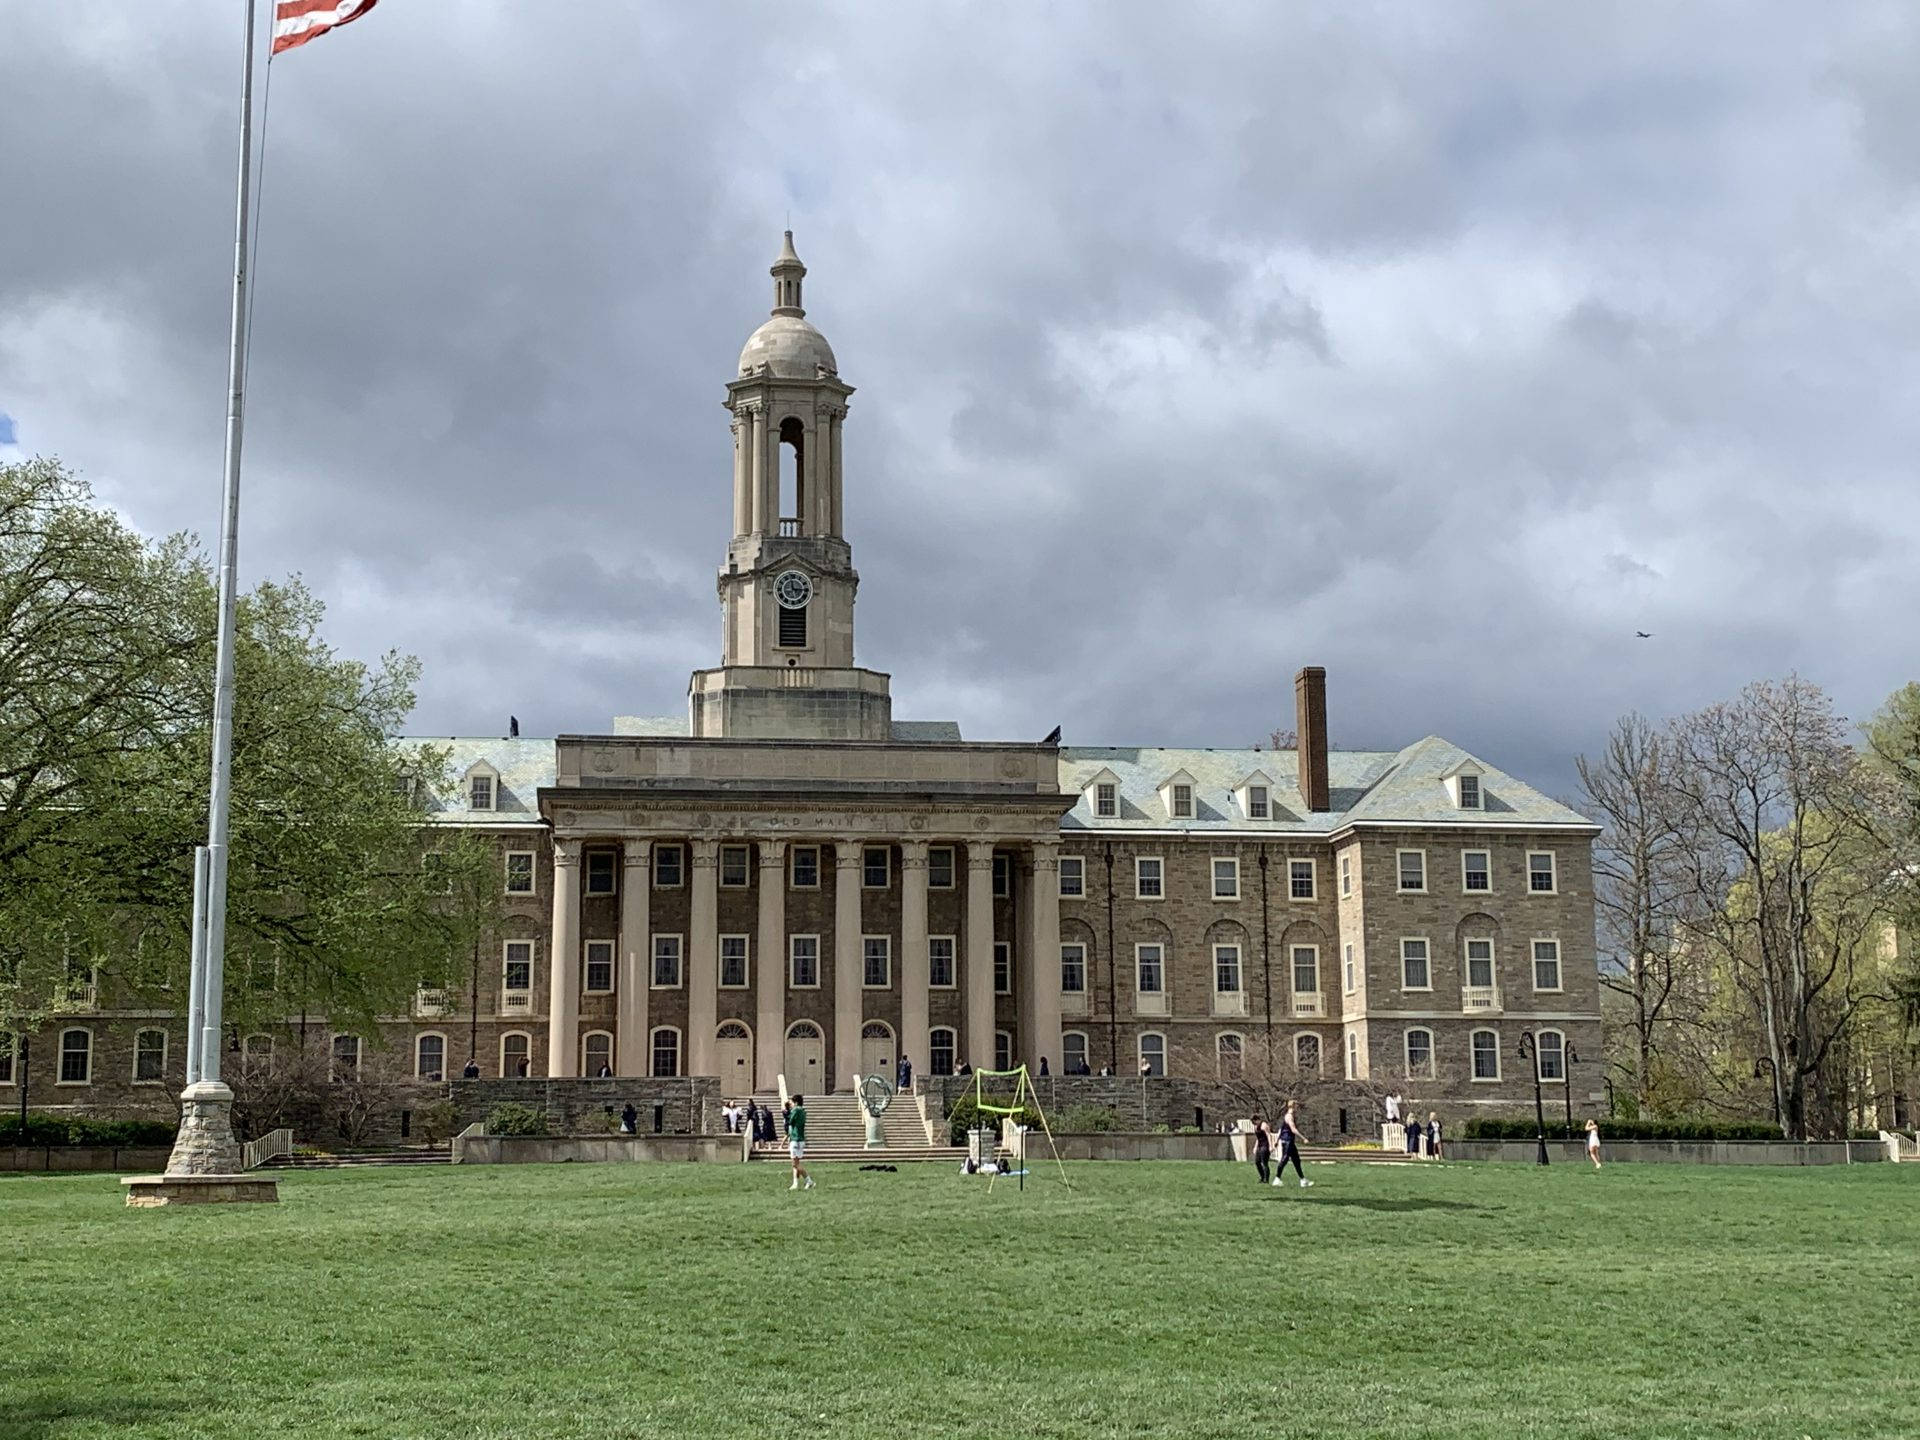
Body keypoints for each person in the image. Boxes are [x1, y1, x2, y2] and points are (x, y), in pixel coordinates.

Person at [1277, 1101, 1312, 1188]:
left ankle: (1303, 1180)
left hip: (1290, 1141)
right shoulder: (1289, 1117)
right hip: (1287, 1140)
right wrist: (1303, 1138)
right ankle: (1277, 1178)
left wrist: (1277, 1140)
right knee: (1284, 1159)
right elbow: (1293, 1129)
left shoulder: (1289, 1116)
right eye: (1296, 1106)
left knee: (1296, 1160)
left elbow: (1281, 1129)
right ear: (1293, 1106)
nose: (1298, 1108)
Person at [786, 1093, 813, 1191]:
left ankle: (808, 1180)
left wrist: (788, 1113)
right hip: (801, 1138)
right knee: (797, 1162)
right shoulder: (803, 1111)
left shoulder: (796, 1110)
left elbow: (790, 1121)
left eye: (792, 1103)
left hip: (795, 1138)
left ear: (796, 1103)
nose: (791, 1105)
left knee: (795, 1164)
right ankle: (795, 1183)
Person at [1250, 1115, 1272, 1186]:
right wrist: (1255, 1147)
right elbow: (1258, 1138)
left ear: (1257, 1120)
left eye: (1254, 1122)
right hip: (1259, 1146)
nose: (1254, 1124)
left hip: (1265, 1145)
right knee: (1257, 1162)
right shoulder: (1256, 1127)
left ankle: (1266, 1179)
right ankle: (1262, 1177)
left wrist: (1271, 1146)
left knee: (1264, 1163)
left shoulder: (1264, 1125)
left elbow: (1269, 1135)